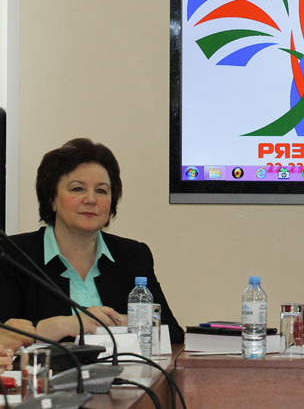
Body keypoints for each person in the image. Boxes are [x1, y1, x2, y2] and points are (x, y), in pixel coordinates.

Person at [0, 138, 184, 344]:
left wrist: (127, 323)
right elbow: (3, 335)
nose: (91, 199)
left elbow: (174, 334)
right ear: (52, 199)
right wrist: (61, 325)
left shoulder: (133, 255)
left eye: (101, 191)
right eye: (77, 189)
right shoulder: (12, 254)